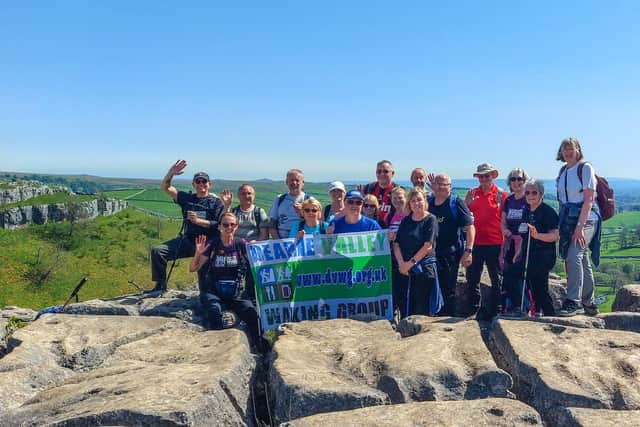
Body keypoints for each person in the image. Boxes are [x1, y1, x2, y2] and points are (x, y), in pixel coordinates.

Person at [189, 212, 263, 351]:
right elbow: (194, 268)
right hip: (213, 292)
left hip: (236, 293)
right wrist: (198, 253)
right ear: (219, 227)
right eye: (225, 224)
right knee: (214, 310)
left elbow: (256, 264)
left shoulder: (241, 244)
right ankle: (219, 349)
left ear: (236, 227)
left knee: (252, 314)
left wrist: (254, 248)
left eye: (232, 224)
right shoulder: (213, 244)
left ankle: (259, 347)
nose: (229, 227)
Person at [149, 160, 224, 294]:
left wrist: (198, 221)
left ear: (209, 184)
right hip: (188, 241)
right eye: (198, 181)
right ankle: (160, 286)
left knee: (205, 285)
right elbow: (166, 187)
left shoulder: (216, 202)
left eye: (204, 181)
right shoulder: (187, 198)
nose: (201, 184)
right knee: (157, 251)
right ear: (193, 184)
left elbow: (218, 224)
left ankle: (207, 298)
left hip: (208, 245)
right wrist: (171, 173)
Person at [556, 137, 601, 316]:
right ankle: (589, 302)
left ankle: (573, 301)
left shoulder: (585, 168)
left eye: (571, 149)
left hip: (587, 218)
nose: (568, 152)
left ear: (578, 150)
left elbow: (589, 199)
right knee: (582, 259)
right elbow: (562, 200)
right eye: (565, 149)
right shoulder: (563, 170)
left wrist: (580, 227)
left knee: (574, 253)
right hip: (569, 218)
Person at [464, 163, 508, 319]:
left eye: (487, 175)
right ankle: (473, 311)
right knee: (472, 279)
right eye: (481, 176)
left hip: (495, 243)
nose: (484, 179)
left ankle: (496, 310)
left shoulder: (502, 195)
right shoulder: (472, 193)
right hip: (475, 243)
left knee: (497, 279)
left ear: (493, 176)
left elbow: (506, 218)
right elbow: (465, 216)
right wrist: (467, 203)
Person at [428, 173, 475, 316]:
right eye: (438, 184)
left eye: (445, 184)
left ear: (450, 187)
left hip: (450, 255)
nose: (441, 187)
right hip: (430, 254)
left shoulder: (456, 203)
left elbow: (470, 227)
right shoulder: (428, 202)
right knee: (431, 287)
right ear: (433, 185)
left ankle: (447, 321)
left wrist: (469, 250)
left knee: (448, 289)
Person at [393, 187, 440, 316]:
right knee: (406, 308)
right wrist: (401, 263)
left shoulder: (431, 219)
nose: (417, 203)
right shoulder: (406, 221)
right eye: (413, 201)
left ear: (424, 201)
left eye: (419, 200)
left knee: (421, 309)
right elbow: (396, 244)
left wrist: (410, 263)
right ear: (409, 204)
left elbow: (427, 246)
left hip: (423, 270)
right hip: (406, 271)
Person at [515, 179, 559, 317]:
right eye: (527, 192)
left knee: (540, 288)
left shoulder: (548, 212)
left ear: (541, 194)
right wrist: (518, 252)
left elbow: (555, 236)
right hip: (529, 254)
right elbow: (523, 235)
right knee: (516, 277)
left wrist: (537, 235)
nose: (530, 195)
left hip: (544, 256)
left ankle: (549, 316)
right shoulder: (526, 211)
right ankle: (535, 311)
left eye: (534, 192)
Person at [500, 168, 530, 314]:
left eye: (520, 179)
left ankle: (522, 306)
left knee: (518, 275)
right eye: (513, 179)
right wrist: (505, 230)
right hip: (510, 242)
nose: (517, 182)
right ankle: (511, 305)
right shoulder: (509, 200)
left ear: (525, 181)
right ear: (509, 183)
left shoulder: (529, 199)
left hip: (525, 244)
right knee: (508, 274)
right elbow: (503, 221)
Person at [386, 187, 411, 319]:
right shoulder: (390, 216)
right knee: (395, 290)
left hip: (408, 260)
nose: (397, 200)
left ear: (406, 198)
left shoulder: (411, 214)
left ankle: (406, 319)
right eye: (394, 198)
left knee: (407, 292)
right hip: (394, 260)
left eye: (400, 197)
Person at [267, 169, 308, 239]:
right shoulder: (279, 199)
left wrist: (303, 213)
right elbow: (272, 224)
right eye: (291, 180)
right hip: (281, 239)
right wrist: (278, 241)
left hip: (301, 240)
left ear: (303, 182)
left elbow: (315, 223)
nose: (294, 183)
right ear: (286, 182)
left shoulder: (309, 200)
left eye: (297, 180)